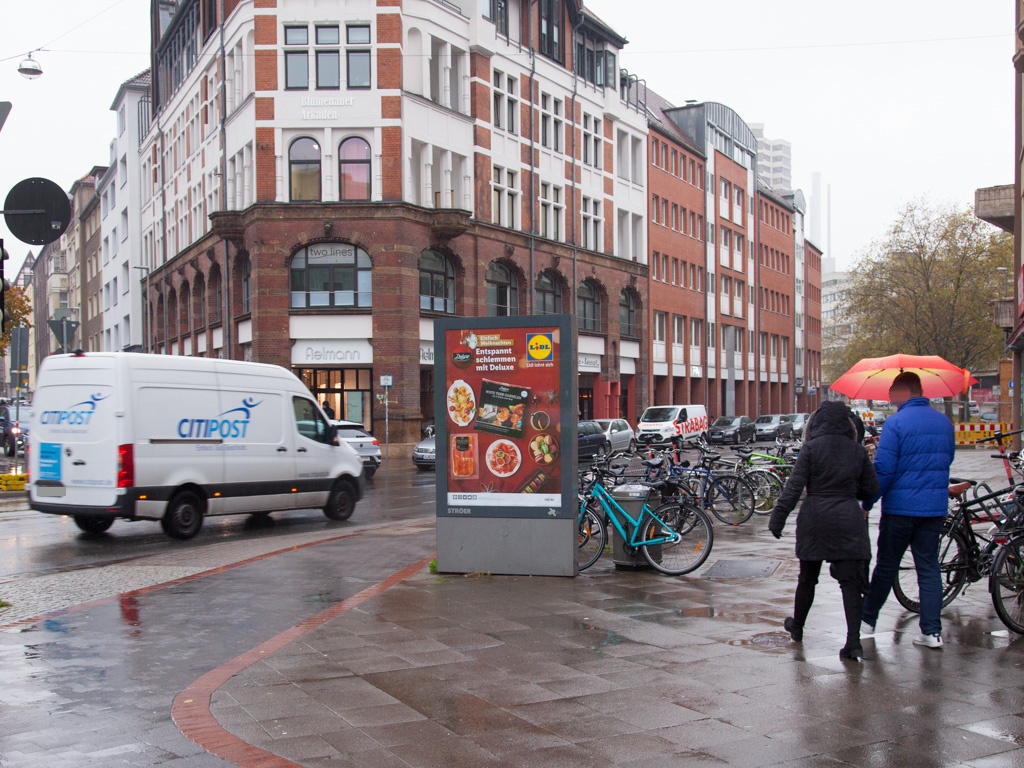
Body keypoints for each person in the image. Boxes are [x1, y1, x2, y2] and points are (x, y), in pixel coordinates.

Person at [768, 400, 879, 661]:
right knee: (850, 583)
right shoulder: (857, 450)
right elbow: (871, 489)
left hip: (815, 519)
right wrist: (850, 492)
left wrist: (778, 518)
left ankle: (798, 626)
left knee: (808, 578)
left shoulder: (811, 448)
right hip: (848, 519)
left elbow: (794, 487)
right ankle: (853, 642)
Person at [861, 371, 955, 649]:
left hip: (900, 510)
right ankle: (932, 632)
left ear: (905, 392)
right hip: (933, 509)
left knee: (886, 566)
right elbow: (947, 459)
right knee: (928, 567)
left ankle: (866, 621)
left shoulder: (895, 423)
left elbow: (884, 469)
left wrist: (868, 501)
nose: (891, 399)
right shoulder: (944, 423)